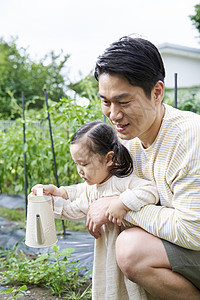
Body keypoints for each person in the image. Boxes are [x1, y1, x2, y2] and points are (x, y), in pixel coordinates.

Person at [85, 36, 200, 300]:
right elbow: (105, 190)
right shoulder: (129, 140)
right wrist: (59, 196)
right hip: (184, 248)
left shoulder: (189, 136)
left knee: (132, 247)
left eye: (123, 102)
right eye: (106, 101)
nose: (113, 114)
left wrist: (122, 206)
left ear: (157, 92)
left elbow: (193, 232)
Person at [31, 120, 159, 300]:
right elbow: (73, 209)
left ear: (109, 159)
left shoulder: (123, 183)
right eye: (76, 164)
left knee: (131, 292)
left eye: (84, 164)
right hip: (107, 257)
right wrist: (47, 201)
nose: (79, 171)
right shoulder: (93, 188)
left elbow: (151, 191)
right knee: (110, 289)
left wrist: (120, 204)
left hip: (128, 255)